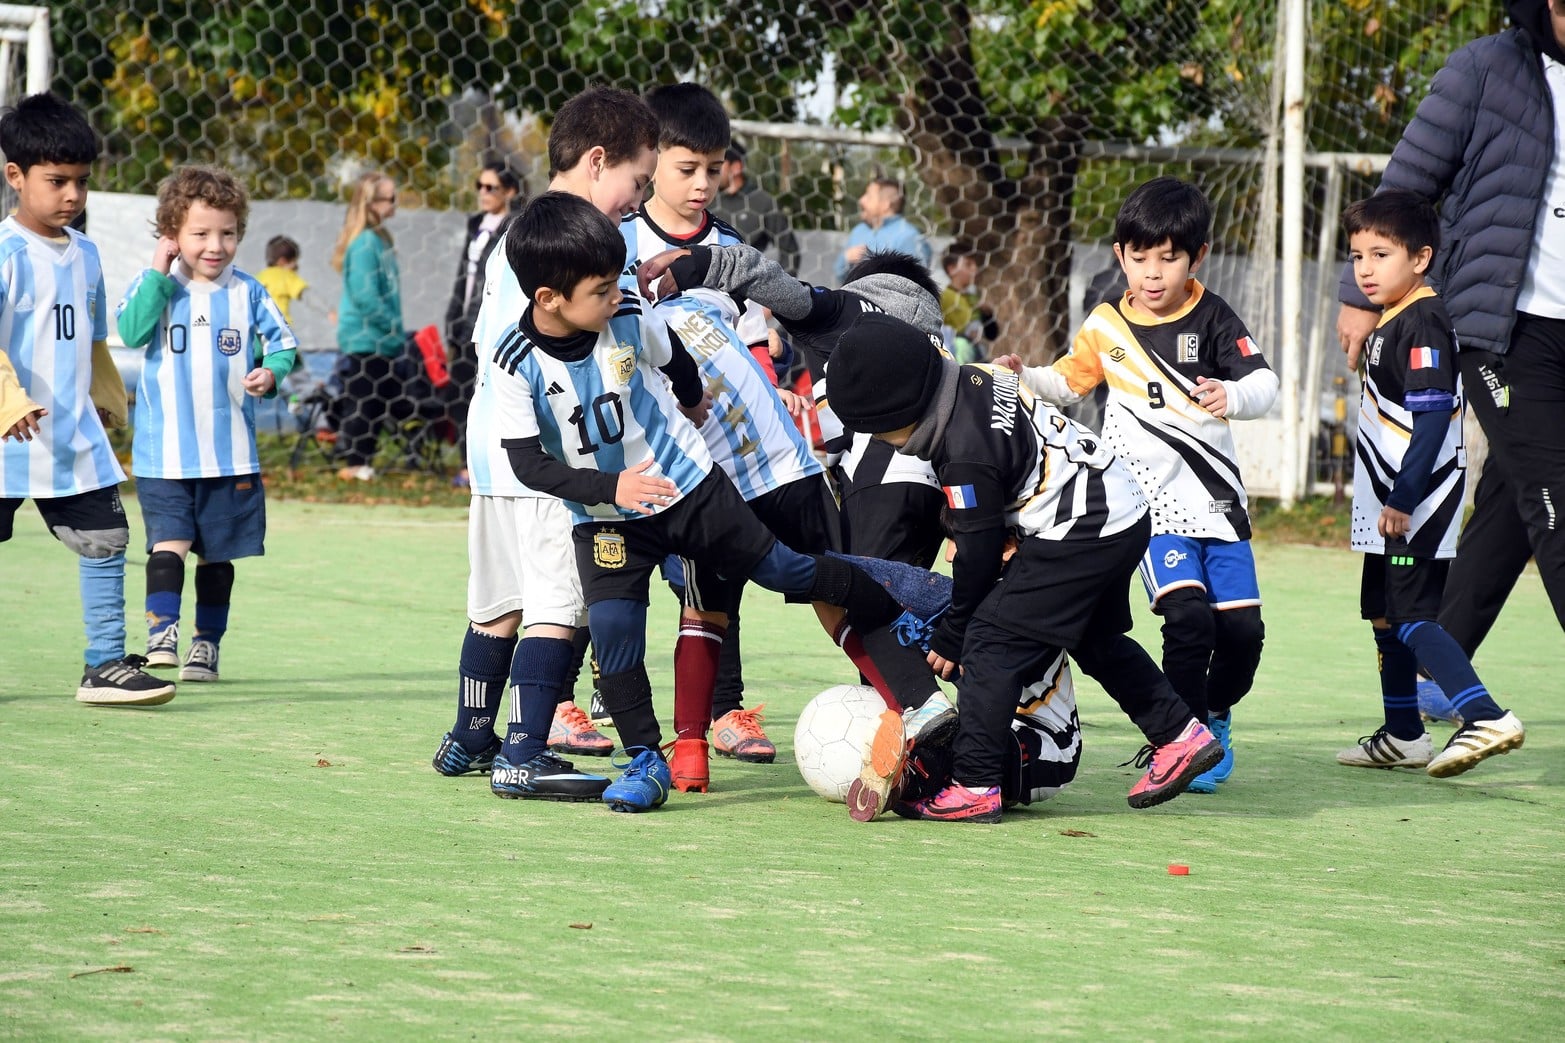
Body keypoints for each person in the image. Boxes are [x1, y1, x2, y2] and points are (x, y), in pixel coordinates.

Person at [495, 191, 931, 817]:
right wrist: (610, 489)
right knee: (616, 636)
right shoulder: (515, 363)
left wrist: (692, 401)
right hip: (608, 517)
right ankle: (647, 758)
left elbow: (675, 362)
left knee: (784, 569)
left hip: (691, 488)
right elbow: (526, 462)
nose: (616, 295)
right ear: (548, 300)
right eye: (600, 289)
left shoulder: (629, 316)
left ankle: (895, 598)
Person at [828, 311, 1223, 823]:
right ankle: (1181, 736)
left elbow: (977, 552)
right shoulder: (977, 378)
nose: (882, 442)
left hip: (1080, 531)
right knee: (1093, 639)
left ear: (904, 409)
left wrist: (954, 632)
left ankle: (974, 784)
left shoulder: (965, 454)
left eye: (880, 431)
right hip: (1122, 512)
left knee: (989, 645)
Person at [996, 177, 1278, 794]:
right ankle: (1184, 737)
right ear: (1121, 255)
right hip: (1148, 503)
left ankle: (1216, 711)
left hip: (1218, 506)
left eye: (1168, 257)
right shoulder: (1105, 324)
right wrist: (1023, 379)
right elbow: (1070, 382)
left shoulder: (1214, 316)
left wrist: (1232, 394)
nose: (1153, 273)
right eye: (1139, 256)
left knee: (1242, 634)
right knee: (1187, 620)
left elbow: (1266, 383)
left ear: (1196, 257)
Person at [1335, 0, 1565, 697]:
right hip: (1506, 326)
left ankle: (1438, 666)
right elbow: (1404, 185)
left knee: (1514, 498)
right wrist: (1357, 291)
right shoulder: (1485, 68)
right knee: (1555, 495)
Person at [432, 86, 658, 797]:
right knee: (557, 605)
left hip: (492, 448)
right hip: (549, 460)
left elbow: (487, 347)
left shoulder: (517, 238)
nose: (636, 199)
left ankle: (471, 735)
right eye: (637, 182)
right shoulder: (564, 247)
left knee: (497, 600)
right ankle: (526, 750)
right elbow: (542, 353)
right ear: (597, 162)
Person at [639, 244, 958, 737]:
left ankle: (916, 721)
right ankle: (929, 710)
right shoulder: (940, 349)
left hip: (854, 480)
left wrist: (696, 264)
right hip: (933, 486)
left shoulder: (850, 312)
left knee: (850, 593)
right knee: (880, 600)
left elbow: (772, 284)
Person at [620, 82, 786, 766]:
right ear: (650, 159)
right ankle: (587, 693)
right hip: (633, 443)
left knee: (720, 567)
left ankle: (724, 709)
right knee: (606, 573)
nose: (701, 185)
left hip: (714, 445)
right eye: (686, 169)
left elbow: (752, 343)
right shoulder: (617, 237)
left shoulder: (728, 248)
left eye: (712, 170)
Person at [1334, 191, 1525, 777]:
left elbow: (1434, 418)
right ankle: (1403, 735)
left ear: (1420, 258)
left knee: (1415, 615)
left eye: (1381, 254)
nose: (1365, 268)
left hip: (1415, 501)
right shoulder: (1392, 318)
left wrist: (1403, 497)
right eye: (1357, 255)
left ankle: (1485, 715)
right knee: (1384, 615)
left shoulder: (1423, 321)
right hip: (1387, 501)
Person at [0, 93, 174, 706]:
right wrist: (7, 401)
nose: (72, 195)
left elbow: (91, 339)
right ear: (14, 175)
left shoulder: (87, 253)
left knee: (105, 540)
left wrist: (105, 399)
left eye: (81, 182)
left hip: (71, 433)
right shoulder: (5, 254)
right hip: (5, 435)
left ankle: (104, 666)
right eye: (57, 181)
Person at [116, 166, 299, 684]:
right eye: (200, 234)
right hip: (164, 456)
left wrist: (271, 371)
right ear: (173, 235)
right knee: (165, 546)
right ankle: (161, 637)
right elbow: (129, 332)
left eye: (227, 233)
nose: (215, 245)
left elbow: (284, 344)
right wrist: (157, 268)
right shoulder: (157, 288)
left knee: (217, 559)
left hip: (230, 456)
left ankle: (206, 646)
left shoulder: (250, 293)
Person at [445, 162, 523, 489]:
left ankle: (484, 467)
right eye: (480, 185)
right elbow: (465, 275)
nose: (483, 193)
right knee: (460, 396)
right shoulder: (475, 224)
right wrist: (452, 317)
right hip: (463, 322)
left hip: (489, 321)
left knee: (490, 391)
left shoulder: (515, 226)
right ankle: (467, 462)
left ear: (510, 192)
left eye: (491, 187)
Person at [330, 170, 403, 481]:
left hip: (381, 339)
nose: (396, 205)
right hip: (365, 336)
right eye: (390, 199)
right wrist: (392, 326)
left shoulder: (380, 239)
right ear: (371, 204)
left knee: (375, 401)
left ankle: (363, 461)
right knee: (362, 400)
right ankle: (354, 463)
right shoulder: (364, 244)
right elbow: (365, 296)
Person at [709, 141, 800, 274]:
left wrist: (778, 288)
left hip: (746, 286)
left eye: (718, 164)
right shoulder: (709, 200)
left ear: (736, 167)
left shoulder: (762, 202)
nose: (712, 170)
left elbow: (790, 251)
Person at [833, 177, 930, 284]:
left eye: (869, 196)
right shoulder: (859, 231)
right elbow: (839, 277)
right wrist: (846, 258)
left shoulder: (908, 236)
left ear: (885, 204)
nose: (861, 200)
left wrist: (872, 265)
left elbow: (917, 286)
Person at [938, 240, 997, 363]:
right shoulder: (945, 297)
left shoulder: (974, 299)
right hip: (958, 357)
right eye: (968, 264)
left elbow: (992, 335)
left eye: (975, 264)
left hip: (978, 352)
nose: (974, 268)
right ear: (952, 269)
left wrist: (988, 315)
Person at [256, 235, 307, 327]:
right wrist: (329, 311)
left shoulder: (258, 277)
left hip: (257, 330)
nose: (297, 266)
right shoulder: (286, 276)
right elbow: (307, 294)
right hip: (279, 327)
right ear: (283, 261)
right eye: (294, 262)